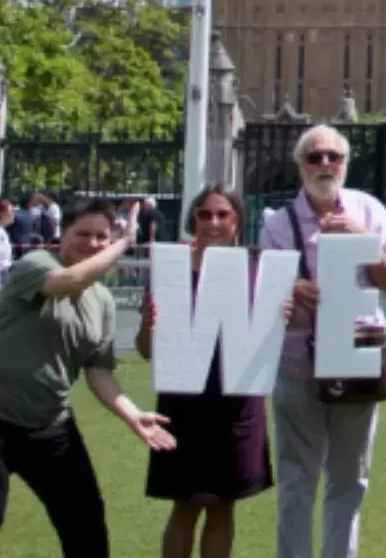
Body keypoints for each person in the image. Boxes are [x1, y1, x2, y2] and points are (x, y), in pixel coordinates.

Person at [0, 198, 178, 558]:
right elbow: (67, 282)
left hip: (49, 423)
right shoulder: (36, 264)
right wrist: (123, 242)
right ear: (62, 234)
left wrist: (134, 416)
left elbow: (98, 373)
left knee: (86, 524)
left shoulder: (103, 302)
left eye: (102, 236)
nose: (93, 243)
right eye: (83, 233)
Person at [266, 123, 386, 558]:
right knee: (296, 479)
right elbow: (266, 291)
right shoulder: (279, 223)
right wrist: (289, 290)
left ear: (346, 164)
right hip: (298, 362)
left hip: (357, 359)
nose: (325, 164)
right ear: (300, 167)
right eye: (315, 157)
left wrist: (362, 242)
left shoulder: (369, 211)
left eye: (334, 157)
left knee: (350, 479)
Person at [137, 187, 274, 558]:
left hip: (237, 403)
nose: (213, 223)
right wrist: (150, 325)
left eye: (223, 214)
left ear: (237, 221)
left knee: (223, 503)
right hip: (184, 403)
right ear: (193, 219)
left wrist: (282, 315)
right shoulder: (171, 269)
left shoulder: (257, 270)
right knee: (185, 503)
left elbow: (268, 340)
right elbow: (147, 351)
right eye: (205, 214)